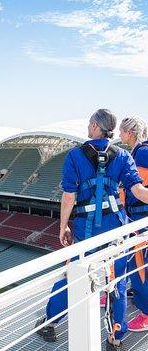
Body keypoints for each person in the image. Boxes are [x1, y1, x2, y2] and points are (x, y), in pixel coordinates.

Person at [36, 109, 148, 350]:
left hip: (86, 230)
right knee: (116, 279)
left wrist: (63, 225)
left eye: (90, 123)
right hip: (116, 228)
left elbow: (69, 196)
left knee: (71, 275)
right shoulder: (123, 156)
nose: (88, 126)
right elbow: (138, 191)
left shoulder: (75, 156)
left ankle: (51, 322)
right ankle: (116, 336)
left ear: (96, 126)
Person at [119, 116, 148, 331]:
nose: (119, 135)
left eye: (122, 130)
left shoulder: (143, 153)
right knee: (133, 262)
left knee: (140, 266)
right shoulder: (137, 152)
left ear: (130, 132)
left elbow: (138, 189)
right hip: (135, 217)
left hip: (141, 218)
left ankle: (146, 312)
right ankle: (135, 295)